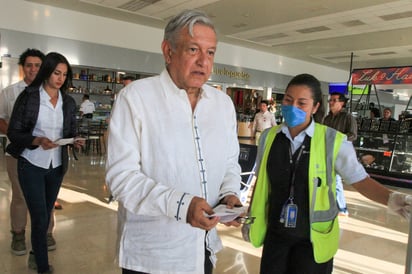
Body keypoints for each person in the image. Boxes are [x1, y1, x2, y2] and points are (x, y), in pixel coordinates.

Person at [106, 10, 242, 274]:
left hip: (203, 249)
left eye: (211, 52)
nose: (204, 61)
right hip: (152, 255)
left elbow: (229, 162)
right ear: (168, 52)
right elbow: (121, 178)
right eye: (193, 49)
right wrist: (182, 205)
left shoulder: (222, 105)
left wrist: (229, 194)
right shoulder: (136, 99)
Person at [246, 73, 412, 274]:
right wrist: (249, 217)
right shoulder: (269, 137)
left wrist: (392, 199)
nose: (293, 107)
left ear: (315, 107)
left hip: (313, 241)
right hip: (275, 237)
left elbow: (360, 180)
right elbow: (262, 181)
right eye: (288, 100)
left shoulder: (333, 141)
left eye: (302, 103)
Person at [7, 52, 84, 274]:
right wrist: (36, 140)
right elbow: (14, 132)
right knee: (40, 215)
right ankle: (42, 265)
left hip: (56, 166)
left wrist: (73, 140)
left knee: (48, 211)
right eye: (56, 73)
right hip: (31, 163)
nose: (60, 78)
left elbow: (68, 130)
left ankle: (35, 253)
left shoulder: (67, 101)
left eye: (64, 74)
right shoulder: (29, 97)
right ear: (47, 72)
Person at [0, 48, 58, 256]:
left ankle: (46, 233)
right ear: (23, 67)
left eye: (38, 65)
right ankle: (17, 233)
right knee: (21, 196)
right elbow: (1, 119)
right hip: (18, 154)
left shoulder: (52, 92)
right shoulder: (10, 92)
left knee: (47, 197)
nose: (33, 69)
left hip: (47, 155)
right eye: (29, 65)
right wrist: (20, 137)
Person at [322, 92, 358, 216]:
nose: (331, 103)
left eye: (334, 100)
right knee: (330, 179)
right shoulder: (327, 118)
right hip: (327, 151)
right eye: (330, 100)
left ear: (342, 103)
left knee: (335, 180)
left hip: (340, 152)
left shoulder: (348, 118)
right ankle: (334, 207)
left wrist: (338, 138)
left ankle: (342, 208)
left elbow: (353, 135)